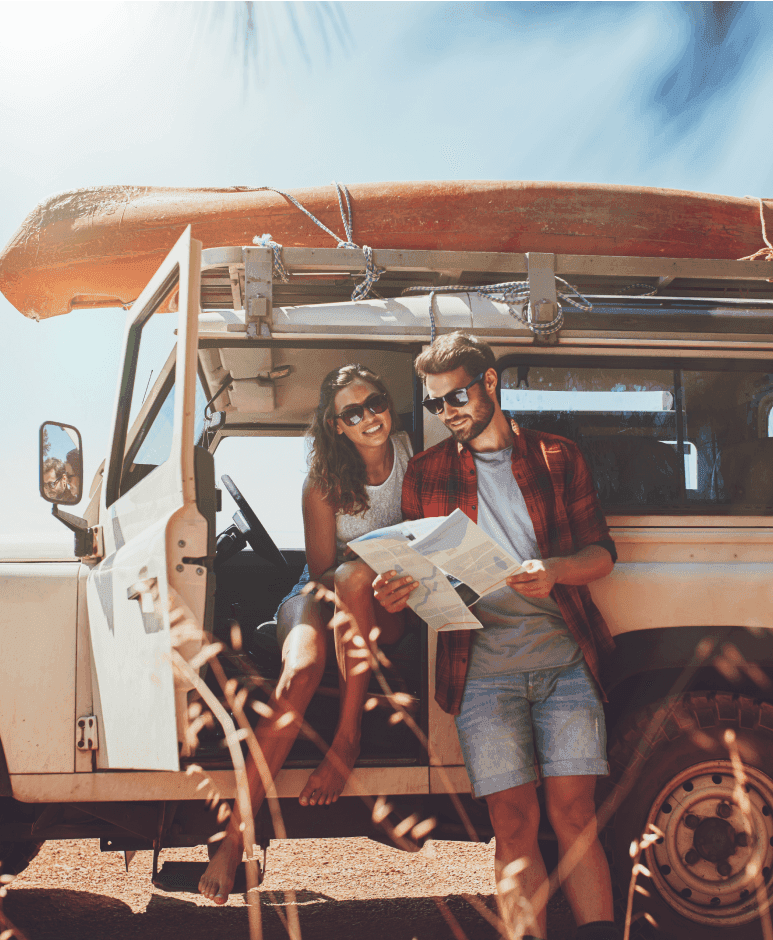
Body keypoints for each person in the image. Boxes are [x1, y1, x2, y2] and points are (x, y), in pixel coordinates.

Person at [374, 332, 621, 940]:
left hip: (565, 661)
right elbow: (417, 576)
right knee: (511, 825)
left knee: (574, 816)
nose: (448, 412)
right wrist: (395, 596)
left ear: (489, 382)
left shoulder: (556, 456)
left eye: (456, 396)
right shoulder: (427, 473)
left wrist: (556, 570)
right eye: (435, 404)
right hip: (481, 670)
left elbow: (603, 554)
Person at [199, 363, 412, 904]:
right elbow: (321, 575)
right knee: (299, 672)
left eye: (376, 402)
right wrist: (359, 571)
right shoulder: (323, 483)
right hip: (321, 593)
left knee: (355, 575)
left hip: (392, 600)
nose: (370, 417)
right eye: (353, 412)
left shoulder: (414, 455)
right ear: (336, 425)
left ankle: (346, 741)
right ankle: (231, 840)